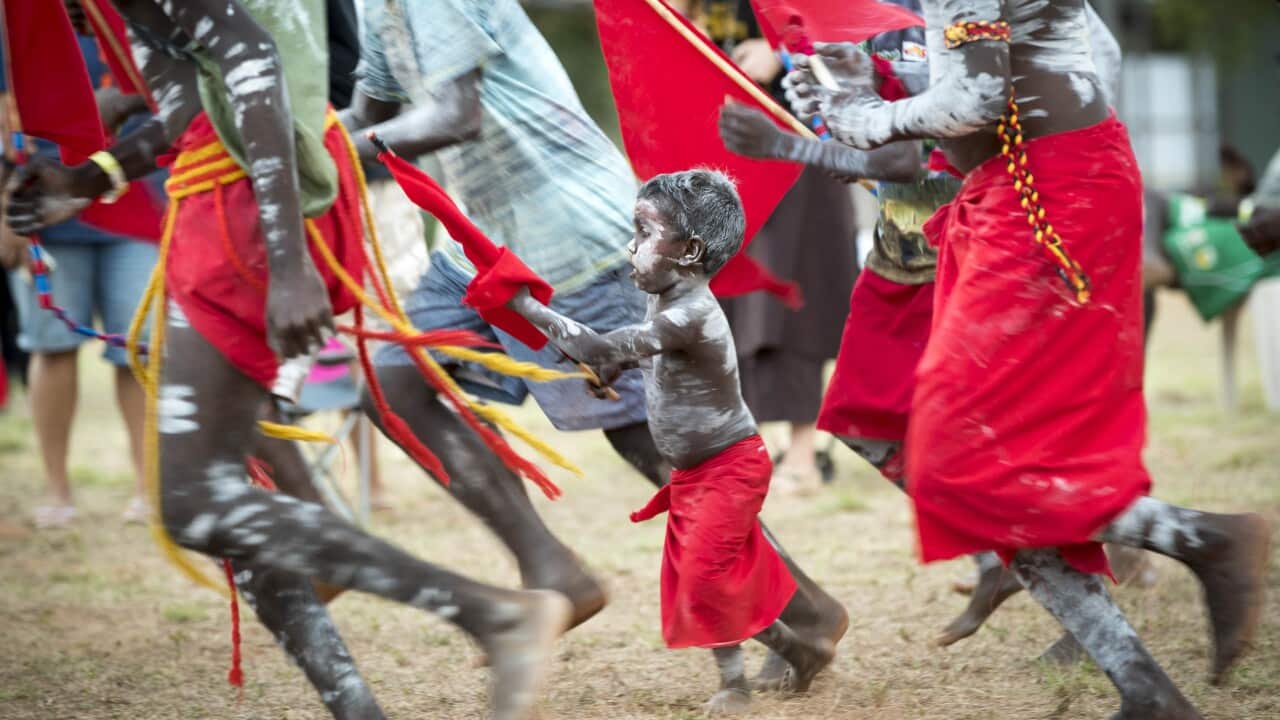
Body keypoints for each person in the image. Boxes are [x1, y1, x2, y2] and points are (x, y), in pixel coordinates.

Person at [5, 2, 571, 718]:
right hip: (235, 192)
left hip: (245, 209)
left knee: (197, 502)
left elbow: (250, 60)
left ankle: (493, 614)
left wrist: (287, 259)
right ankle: (358, 707)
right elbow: (191, 103)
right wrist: (90, 179)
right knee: (238, 497)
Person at [783, 2, 1270, 716]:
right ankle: (1144, 687)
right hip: (1027, 184)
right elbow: (1080, 56)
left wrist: (858, 111)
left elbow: (974, 97)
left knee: (958, 463)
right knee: (959, 463)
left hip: (1046, 193)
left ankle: (1201, 539)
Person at [342, 0, 849, 666]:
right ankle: (552, 569)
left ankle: (801, 614)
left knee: (659, 448)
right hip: (481, 243)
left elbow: (452, 115)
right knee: (391, 382)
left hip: (576, 236)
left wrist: (325, 154)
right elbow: (366, 115)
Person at [508, 169, 832, 713]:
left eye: (643, 233)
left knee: (707, 579)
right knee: (702, 578)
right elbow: (627, 357)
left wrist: (523, 304)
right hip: (694, 471)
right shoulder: (664, 305)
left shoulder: (692, 314)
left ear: (690, 250)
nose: (630, 247)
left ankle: (739, 685)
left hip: (730, 466)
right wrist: (611, 372)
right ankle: (797, 650)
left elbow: (600, 347)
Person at [691, 0, 859, 494]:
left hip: (799, 135)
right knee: (724, 292)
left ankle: (802, 454)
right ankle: (740, 447)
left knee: (793, 288)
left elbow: (852, 27)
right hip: (721, 134)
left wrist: (782, 53)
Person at [0, 24, 157, 528]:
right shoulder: (20, 20)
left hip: (138, 204)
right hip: (40, 202)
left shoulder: (139, 18)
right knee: (52, 347)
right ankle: (56, 491)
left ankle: (147, 488)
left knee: (138, 350)